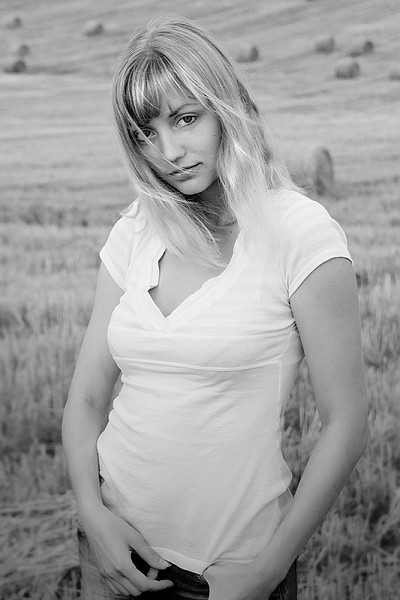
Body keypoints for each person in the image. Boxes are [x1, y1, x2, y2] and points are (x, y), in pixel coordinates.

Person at [62, 15, 369, 600]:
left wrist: (262, 574)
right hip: (113, 552)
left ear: (226, 107)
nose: (168, 152)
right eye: (145, 133)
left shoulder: (299, 233)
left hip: (230, 571)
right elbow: (86, 400)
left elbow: (347, 423)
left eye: (185, 118)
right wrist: (92, 515)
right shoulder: (134, 230)